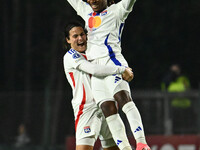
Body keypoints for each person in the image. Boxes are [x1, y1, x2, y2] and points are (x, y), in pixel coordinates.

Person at [66, 0, 151, 150]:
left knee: (123, 99)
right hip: (98, 76)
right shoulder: (86, 12)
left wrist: (121, 69)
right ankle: (126, 148)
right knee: (108, 109)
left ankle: (141, 143)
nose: (92, 0)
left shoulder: (118, 11)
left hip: (113, 64)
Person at [63, 22, 134, 150]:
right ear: (68, 40)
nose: (80, 38)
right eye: (75, 36)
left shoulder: (95, 53)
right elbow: (94, 69)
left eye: (82, 34)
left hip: (106, 104)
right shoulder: (70, 56)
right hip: (87, 109)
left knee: (114, 147)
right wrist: (121, 69)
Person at [161, 64, 194, 133]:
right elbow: (164, 91)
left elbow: (188, 89)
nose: (174, 72)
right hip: (173, 107)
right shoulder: (167, 80)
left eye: (176, 70)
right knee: (174, 126)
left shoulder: (184, 79)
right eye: (173, 70)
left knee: (187, 126)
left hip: (185, 106)